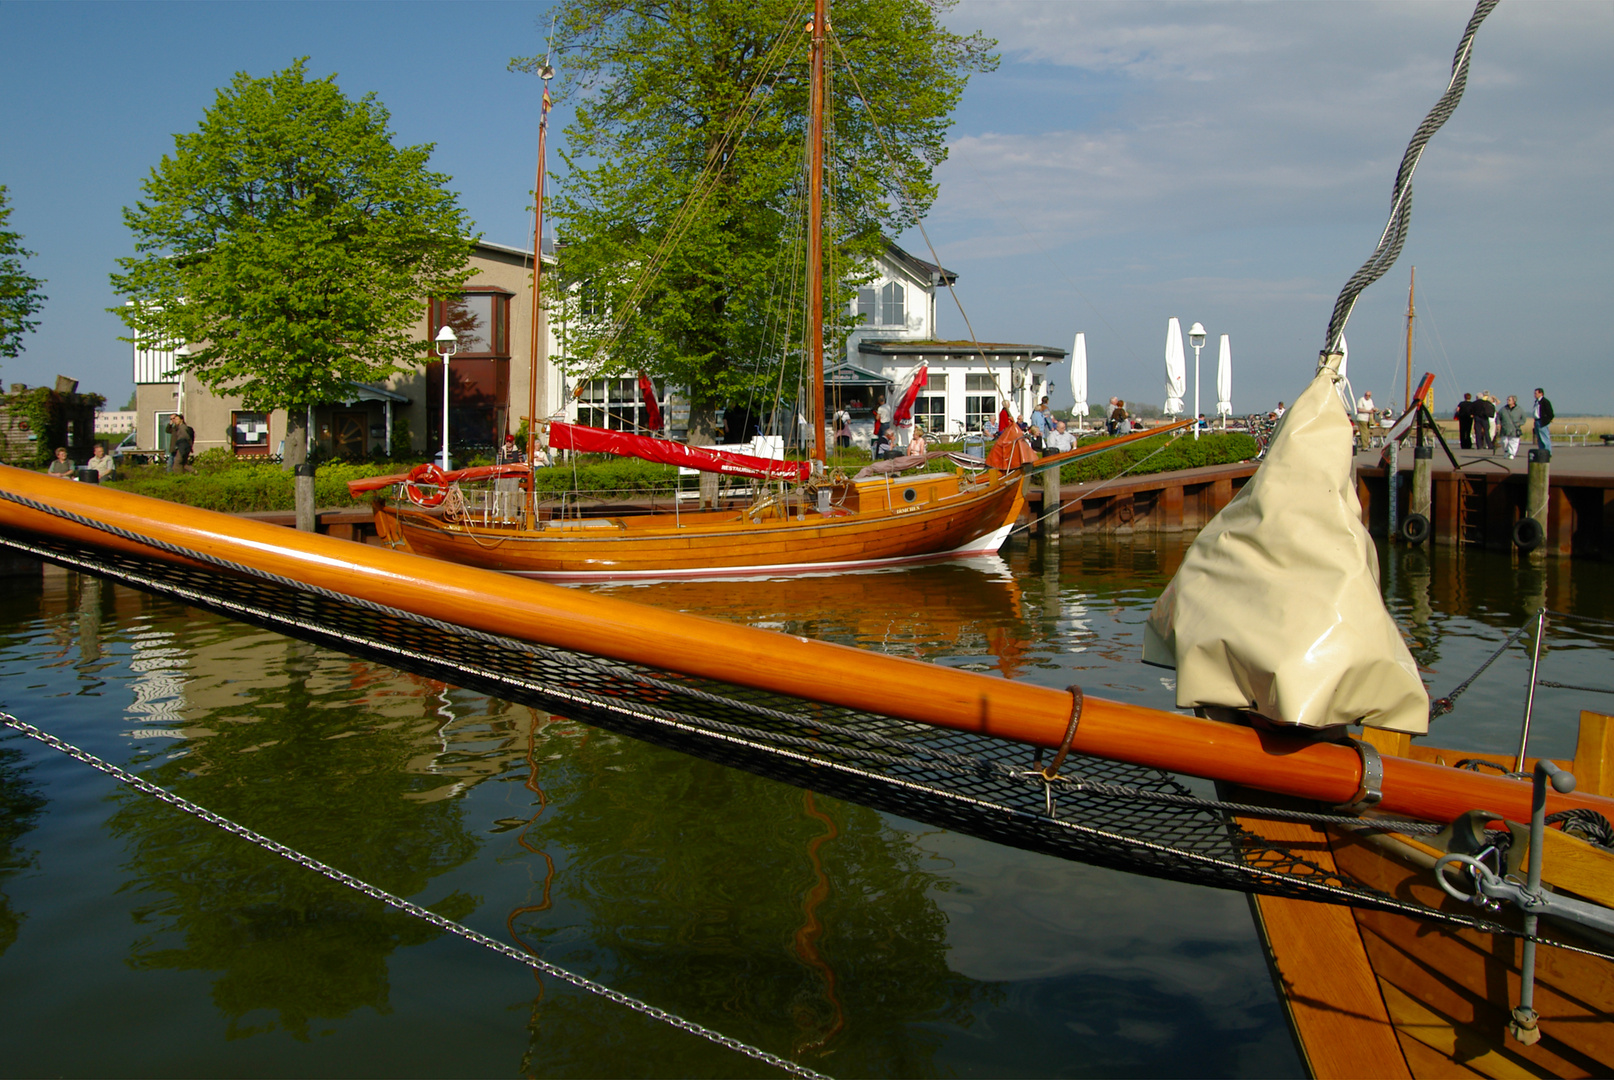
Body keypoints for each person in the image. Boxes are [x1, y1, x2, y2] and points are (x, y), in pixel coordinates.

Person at [1497, 394, 1527, 459]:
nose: (1507, 401)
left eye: (1509, 400)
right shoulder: (1503, 409)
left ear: (1514, 401)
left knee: (1514, 441)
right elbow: (1498, 417)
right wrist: (1498, 424)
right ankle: (1506, 451)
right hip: (1505, 428)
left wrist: (1520, 423)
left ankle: (1512, 454)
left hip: (1515, 429)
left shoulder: (1519, 409)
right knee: (1504, 441)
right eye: (1507, 399)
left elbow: (1524, 418)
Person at [1533, 387, 1554, 453]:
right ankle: (1542, 452)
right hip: (1536, 421)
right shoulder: (1537, 402)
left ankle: (1548, 452)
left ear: (1541, 394)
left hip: (1542, 422)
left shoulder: (1545, 402)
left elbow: (1550, 413)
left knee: (1544, 438)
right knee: (1539, 439)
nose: (1534, 395)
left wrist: (1546, 420)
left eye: (1536, 393)